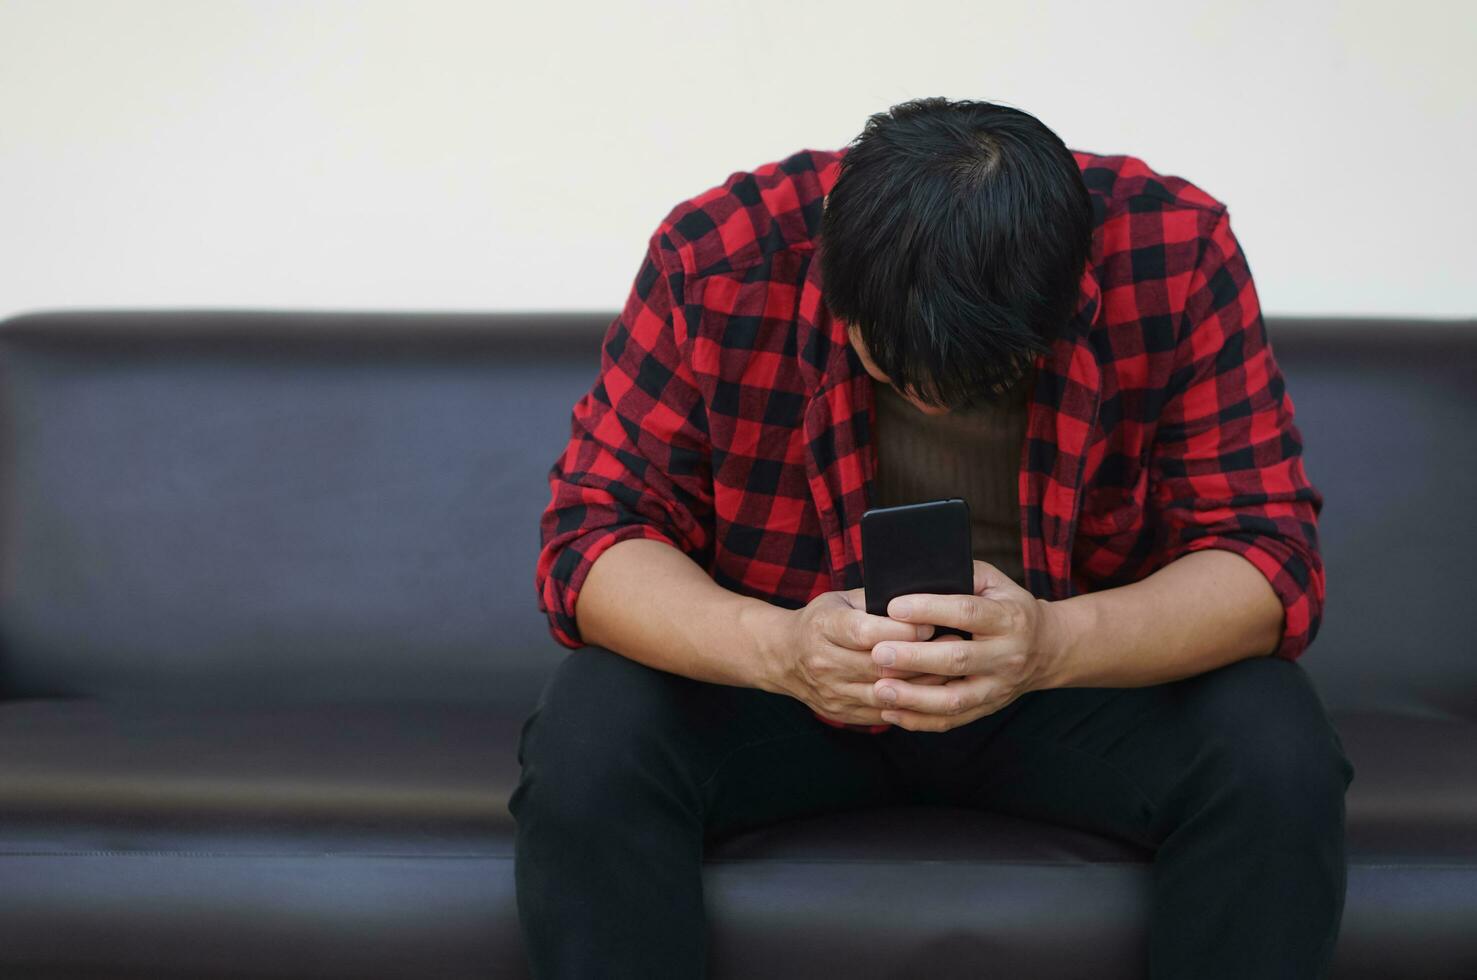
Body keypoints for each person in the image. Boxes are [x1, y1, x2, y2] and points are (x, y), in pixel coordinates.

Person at [511, 96, 1354, 979]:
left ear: (1065, 300)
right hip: (789, 684)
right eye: (893, 370)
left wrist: (1052, 644)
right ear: (832, 280)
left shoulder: (1173, 249)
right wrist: (777, 648)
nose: (932, 406)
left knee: (1273, 743)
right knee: (590, 729)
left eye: (977, 380)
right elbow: (593, 534)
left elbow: (1268, 558)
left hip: (1073, 680)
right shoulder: (717, 254)